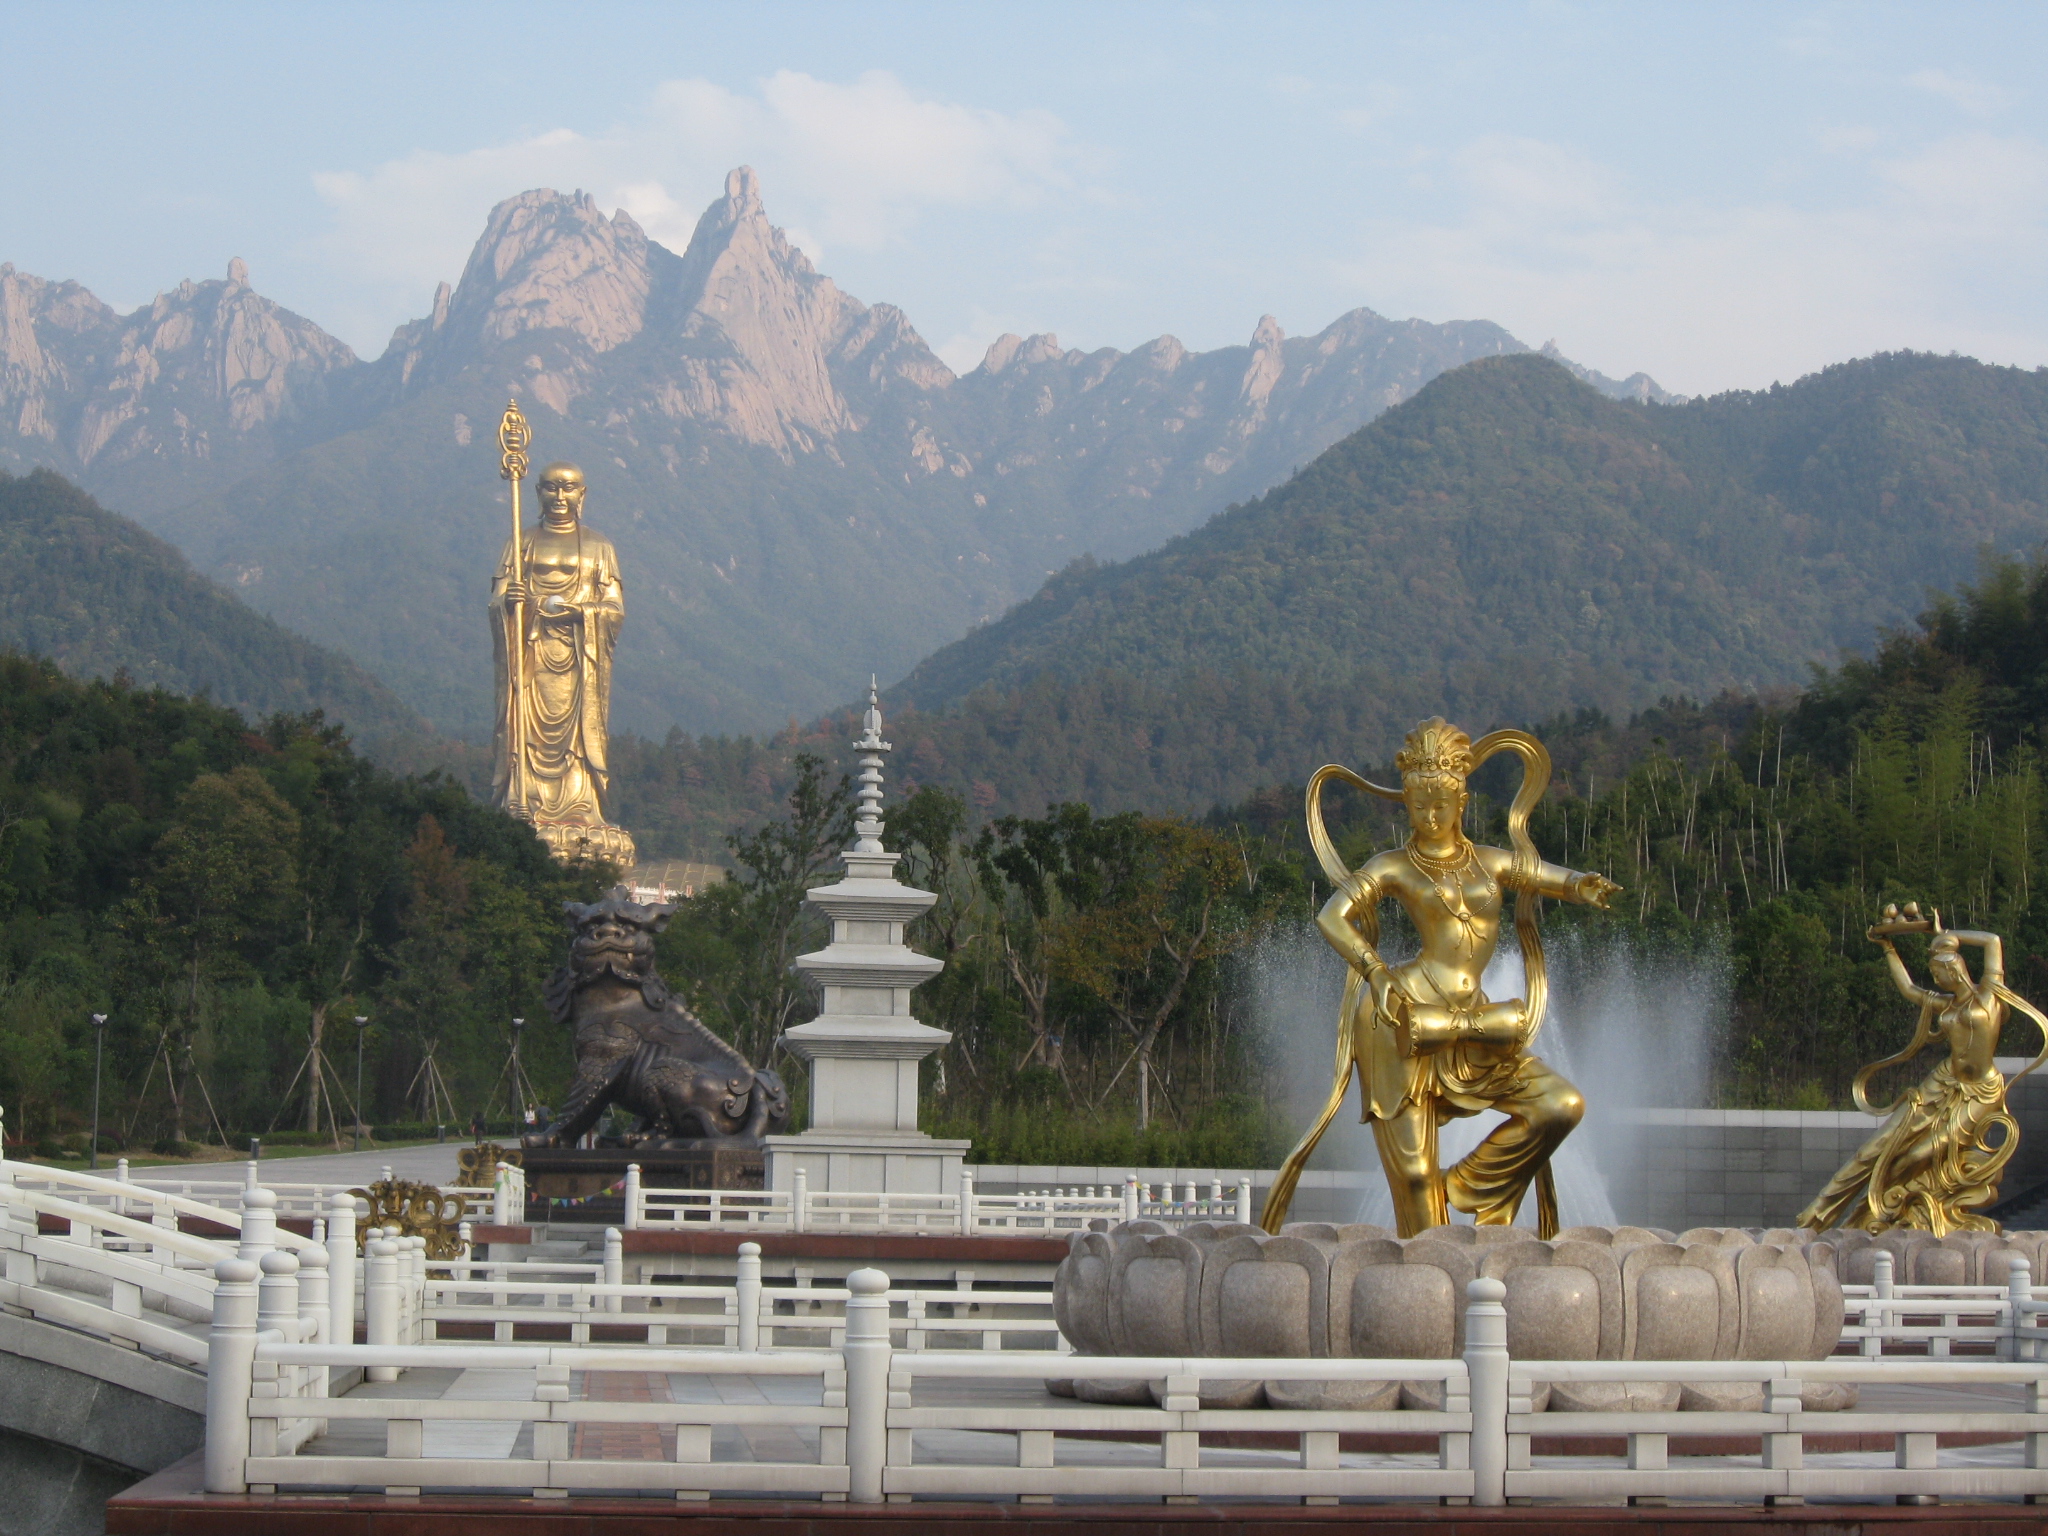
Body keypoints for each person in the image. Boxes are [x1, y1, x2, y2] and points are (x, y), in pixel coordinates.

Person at [1264, 718, 1620, 1237]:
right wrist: (1376, 972)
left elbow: (1542, 876)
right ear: (1406, 805)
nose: (1429, 816)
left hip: (1474, 1020)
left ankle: (1464, 1187)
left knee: (1559, 1105)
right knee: (1412, 1177)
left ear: (1462, 805)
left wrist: (1579, 884)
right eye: (1418, 806)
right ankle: (1425, 1279)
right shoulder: (1394, 866)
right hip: (1402, 1016)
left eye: (1441, 805)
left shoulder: (1491, 862)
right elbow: (1330, 916)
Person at [1798, 906, 2048, 1235]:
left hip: (1979, 1092)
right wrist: (1888, 949)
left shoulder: (1989, 997)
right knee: (1878, 1145)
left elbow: (1992, 942)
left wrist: (1947, 935)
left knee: (1913, 1156)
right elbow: (1910, 991)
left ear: (1956, 971)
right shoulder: (1947, 1004)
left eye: (1939, 975)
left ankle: (1879, 1214)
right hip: (1942, 1082)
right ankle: (1818, 1212)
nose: (1935, 980)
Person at [489, 459, 634, 863]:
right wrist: (511, 603)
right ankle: (525, 798)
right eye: (551, 488)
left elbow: (614, 608)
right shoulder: (520, 543)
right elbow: (498, 599)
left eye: (568, 488)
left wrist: (581, 611)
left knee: (577, 741)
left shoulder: (599, 546)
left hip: (579, 658)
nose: (559, 496)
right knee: (526, 730)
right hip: (530, 656)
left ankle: (580, 807)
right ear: (536, 492)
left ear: (581, 495)